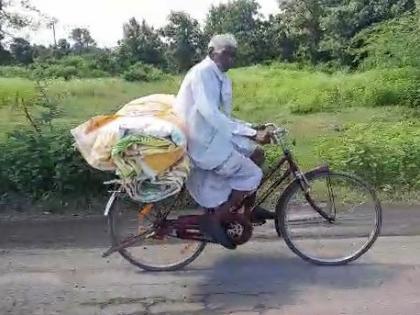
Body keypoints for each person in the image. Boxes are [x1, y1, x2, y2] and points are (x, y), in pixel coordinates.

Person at [173, 34, 274, 249]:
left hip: (213, 136)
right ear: (212, 53)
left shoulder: (220, 76)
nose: (231, 59)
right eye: (226, 54)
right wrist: (252, 133)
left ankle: (248, 209)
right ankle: (216, 219)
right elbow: (210, 113)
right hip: (202, 143)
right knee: (253, 173)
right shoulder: (202, 73)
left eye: (233, 55)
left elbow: (224, 117)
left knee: (257, 154)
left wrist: (251, 129)